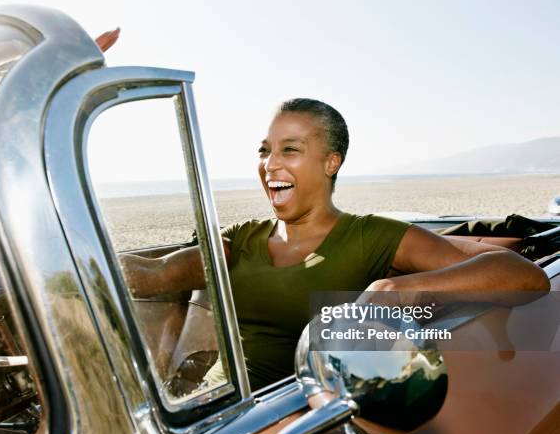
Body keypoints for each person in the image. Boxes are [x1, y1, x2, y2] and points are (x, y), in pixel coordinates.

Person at [120, 98, 550, 391]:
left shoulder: (371, 236)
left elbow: (525, 277)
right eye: (265, 150)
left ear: (331, 163)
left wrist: (399, 291)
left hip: (299, 424)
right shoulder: (240, 239)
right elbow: (149, 276)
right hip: (211, 419)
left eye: (290, 150)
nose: (270, 163)